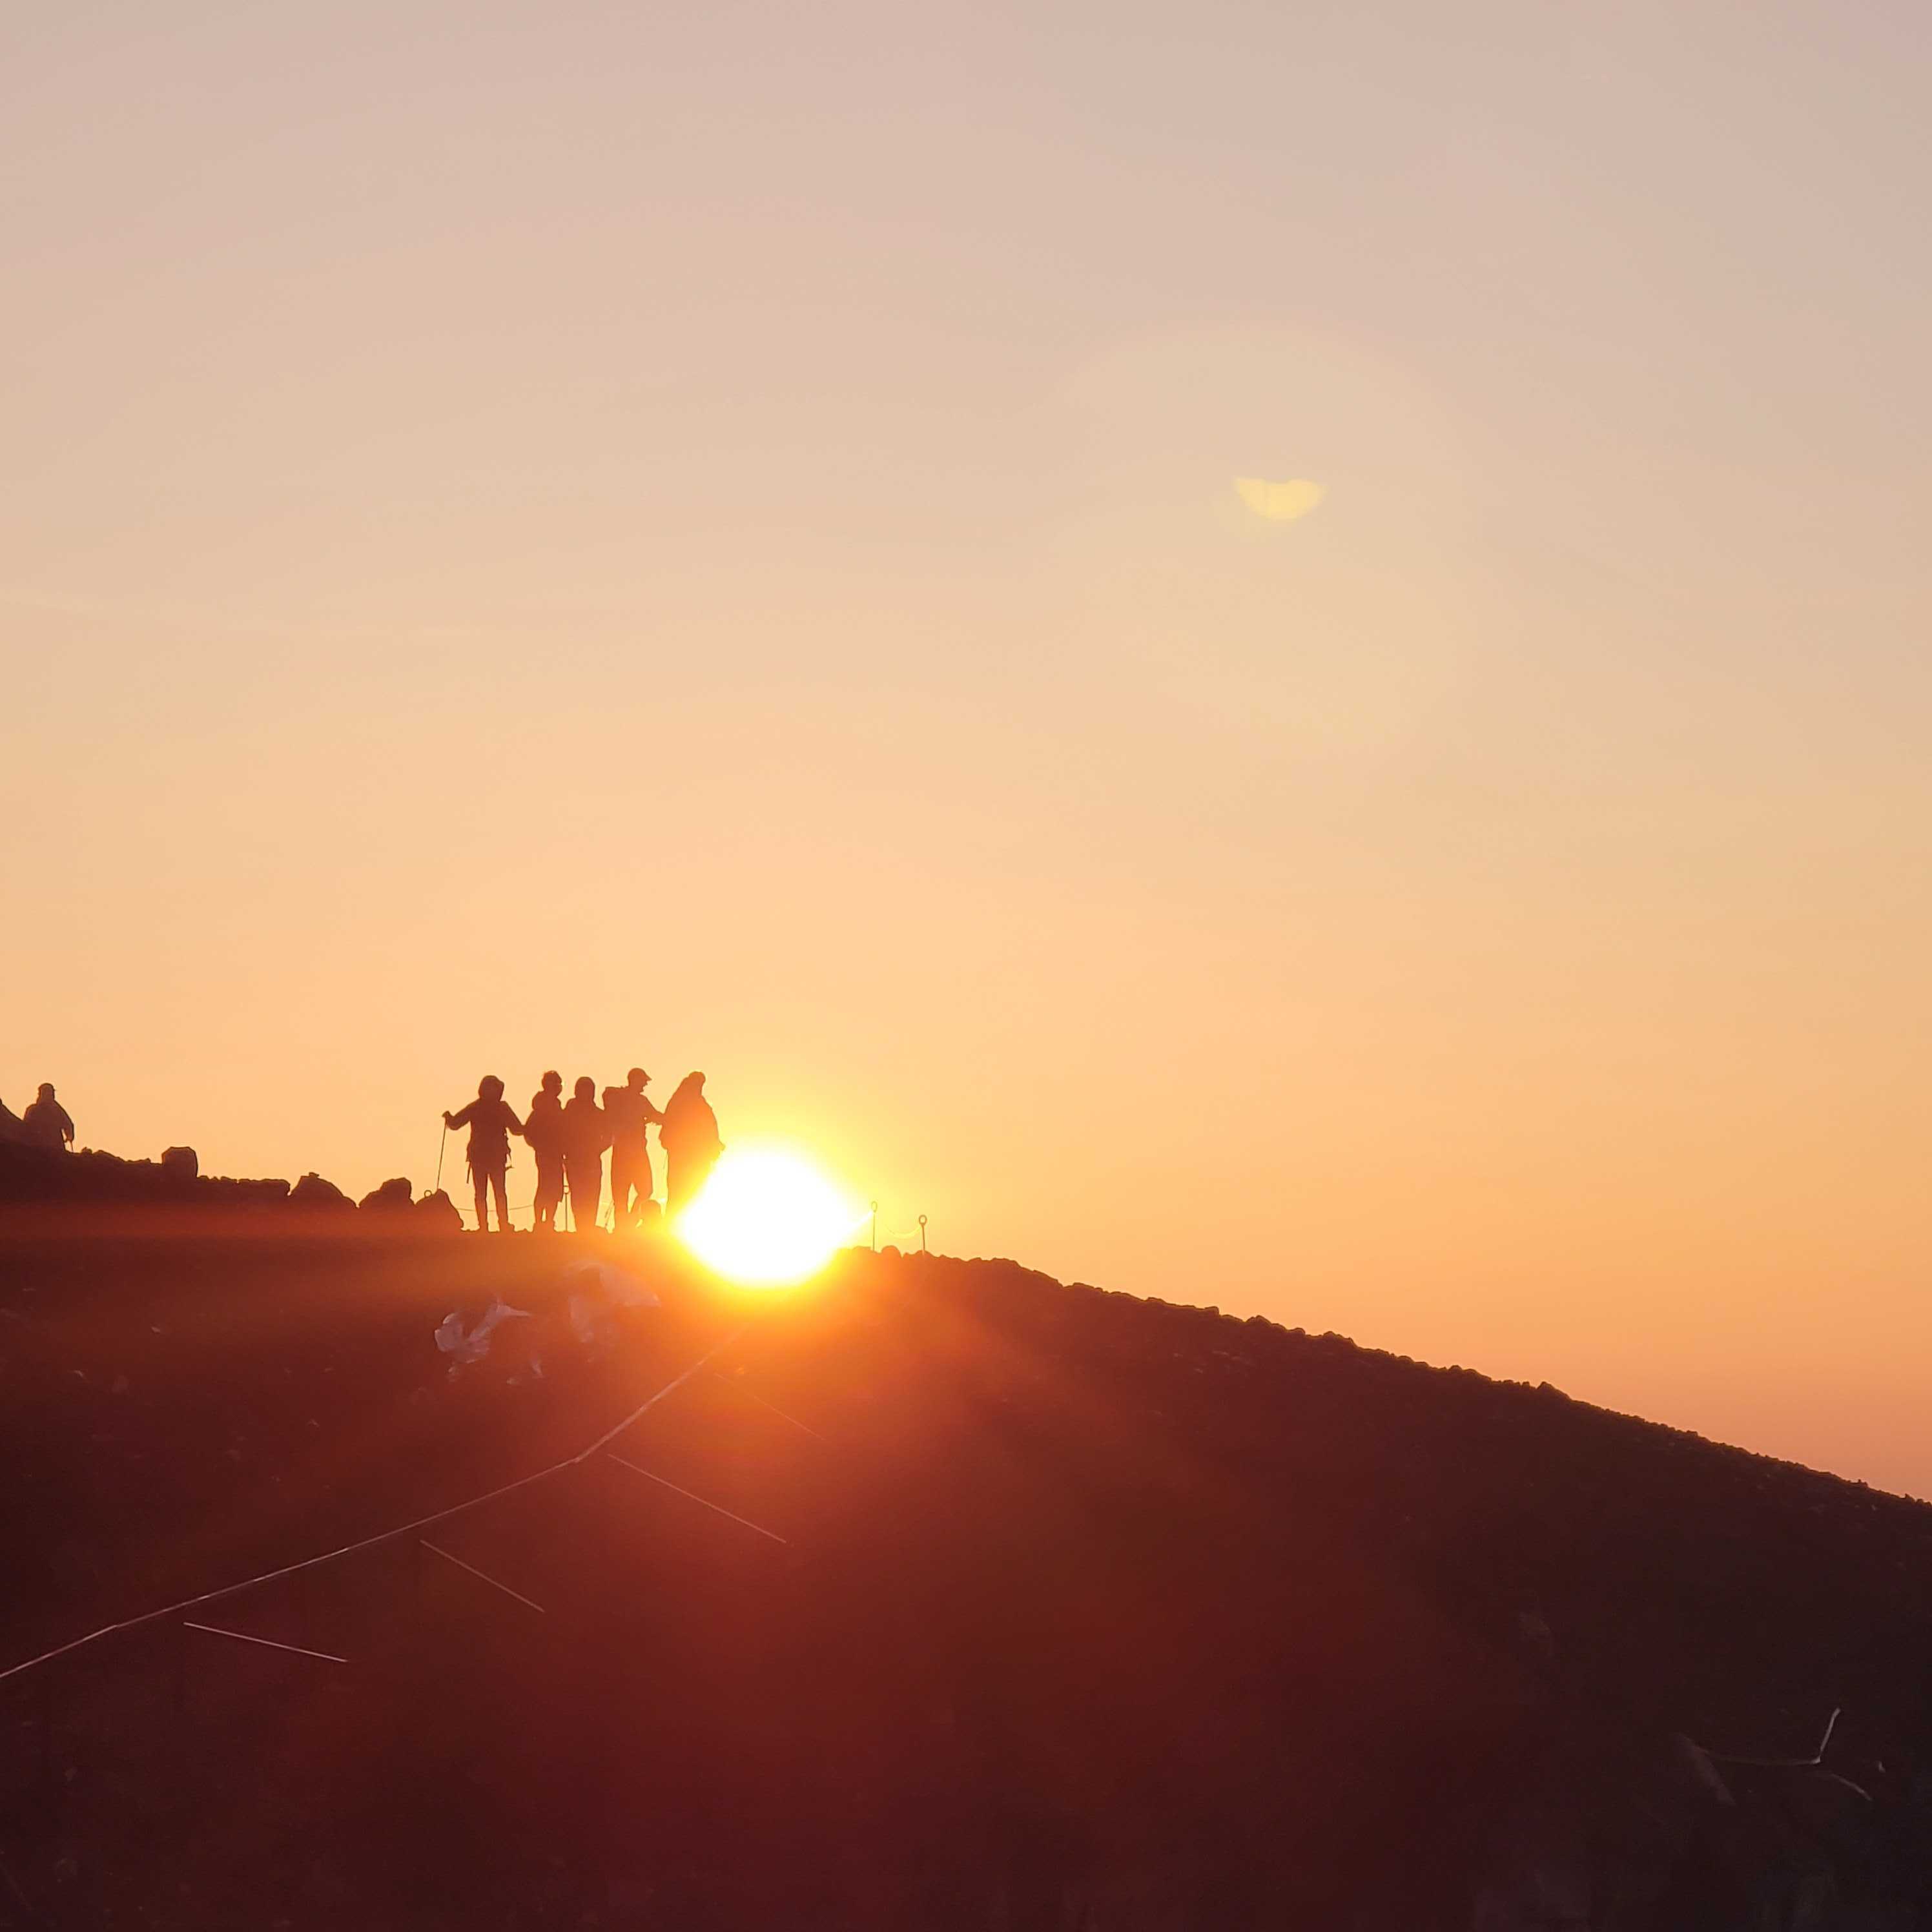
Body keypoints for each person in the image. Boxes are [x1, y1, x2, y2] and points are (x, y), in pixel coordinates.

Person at [442, 1076, 524, 1233]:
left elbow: (455, 1123)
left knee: (492, 1193)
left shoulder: (480, 1107)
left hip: (485, 1156)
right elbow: (517, 1129)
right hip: (485, 1156)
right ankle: (493, 1226)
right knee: (488, 1193)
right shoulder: (496, 1108)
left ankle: (496, 1225)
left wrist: (449, 1119)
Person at [601, 1067, 663, 1231]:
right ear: (635, 1080)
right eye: (643, 1082)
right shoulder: (634, 1100)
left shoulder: (626, 1098)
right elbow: (657, 1117)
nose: (644, 1085)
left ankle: (626, 1225)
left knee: (632, 1192)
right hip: (631, 1152)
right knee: (632, 1192)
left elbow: (656, 1116)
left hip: (628, 1151)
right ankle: (625, 1226)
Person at [659, 1072, 723, 1217]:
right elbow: (670, 1126)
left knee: (692, 1189)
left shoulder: (699, 1103)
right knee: (678, 1190)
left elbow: (709, 1127)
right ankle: (671, 1223)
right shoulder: (682, 1101)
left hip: (697, 1156)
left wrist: (715, 1144)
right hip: (683, 1155)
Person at [560, 1076, 609, 1232]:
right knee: (578, 1195)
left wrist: (597, 1149)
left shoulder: (598, 1114)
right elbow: (561, 1133)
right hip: (575, 1161)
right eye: (583, 1089)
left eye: (588, 1090)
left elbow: (610, 1137)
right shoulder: (569, 1111)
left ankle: (587, 1227)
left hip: (591, 1161)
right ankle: (582, 1227)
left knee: (592, 1194)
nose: (586, 1093)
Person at [524, 1071, 566, 1233]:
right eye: (557, 1084)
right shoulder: (542, 1108)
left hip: (556, 1154)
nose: (559, 1088)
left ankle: (549, 1221)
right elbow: (529, 1131)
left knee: (554, 1188)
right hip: (546, 1154)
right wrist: (540, 1147)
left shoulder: (555, 1107)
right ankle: (540, 1221)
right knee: (546, 1187)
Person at [23, 1084, 75, 1153]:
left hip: (56, 1147)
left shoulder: (57, 1110)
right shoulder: (33, 1110)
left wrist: (69, 1136)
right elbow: (25, 1127)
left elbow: (68, 1125)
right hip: (38, 1147)